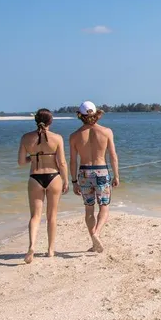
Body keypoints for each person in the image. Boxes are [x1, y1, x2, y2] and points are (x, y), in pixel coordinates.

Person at [17, 109, 68, 263]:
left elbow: (20, 162)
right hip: (53, 177)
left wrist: (33, 157)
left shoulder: (26, 138)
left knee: (35, 216)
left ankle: (32, 246)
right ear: (50, 122)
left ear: (36, 120)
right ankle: (50, 250)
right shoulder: (57, 138)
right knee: (52, 216)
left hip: (35, 177)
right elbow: (62, 163)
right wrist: (66, 180)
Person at [69, 101, 119, 253]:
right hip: (101, 171)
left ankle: (93, 240)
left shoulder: (74, 136)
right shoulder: (106, 132)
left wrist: (74, 181)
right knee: (104, 206)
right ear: (96, 114)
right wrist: (116, 175)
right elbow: (113, 156)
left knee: (89, 209)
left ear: (80, 116)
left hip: (84, 172)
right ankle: (97, 233)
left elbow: (73, 161)